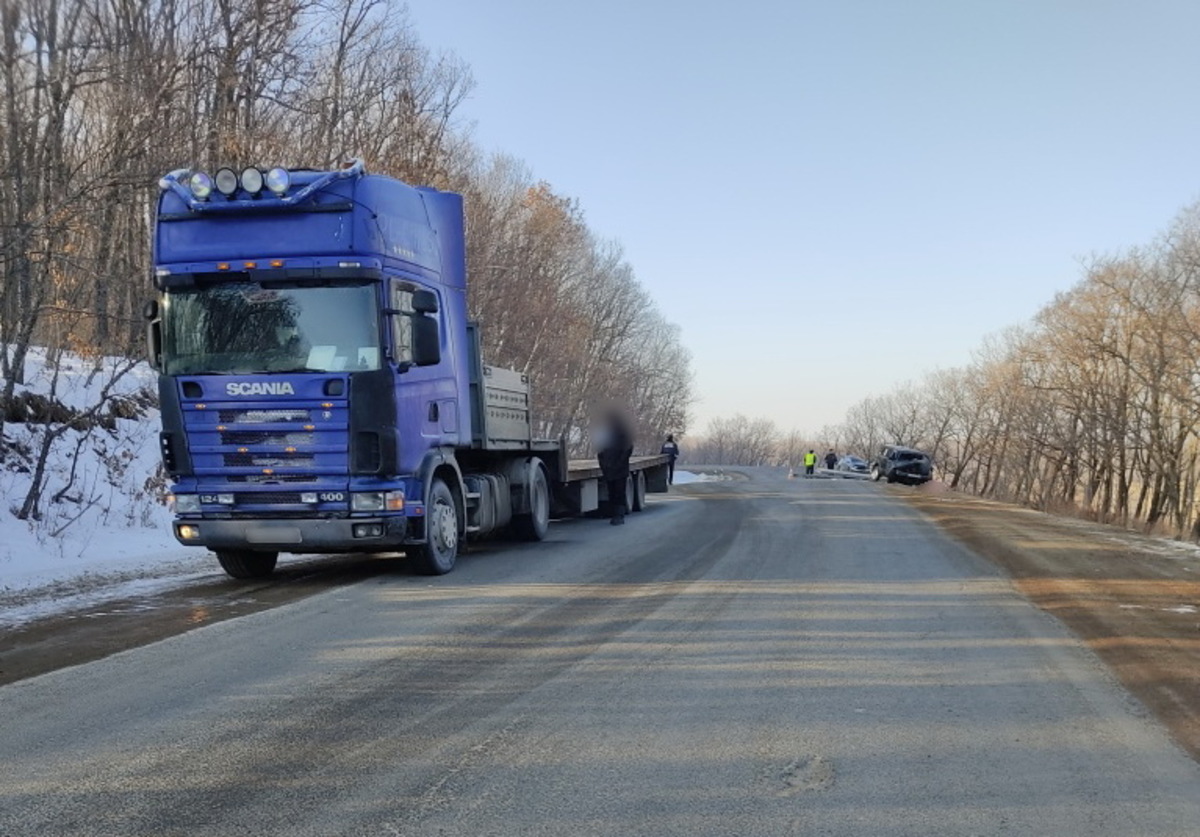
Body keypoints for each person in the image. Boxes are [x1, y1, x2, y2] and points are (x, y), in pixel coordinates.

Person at [597, 410, 634, 525]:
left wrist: (620, 462)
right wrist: (603, 464)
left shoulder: (622, 432)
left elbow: (628, 448)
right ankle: (614, 514)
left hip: (619, 469)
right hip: (609, 469)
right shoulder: (606, 434)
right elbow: (600, 450)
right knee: (612, 492)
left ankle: (619, 515)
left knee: (619, 492)